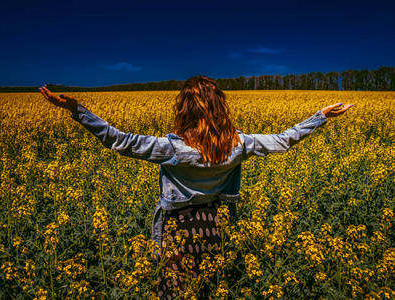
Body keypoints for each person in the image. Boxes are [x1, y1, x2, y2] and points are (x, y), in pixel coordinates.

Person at [39, 76, 353, 299]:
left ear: (184, 111)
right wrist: (320, 116)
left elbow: (121, 141)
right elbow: (284, 140)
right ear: (221, 108)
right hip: (216, 226)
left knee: (174, 290)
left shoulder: (174, 150)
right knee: (208, 287)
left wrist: (77, 110)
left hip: (179, 230)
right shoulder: (239, 145)